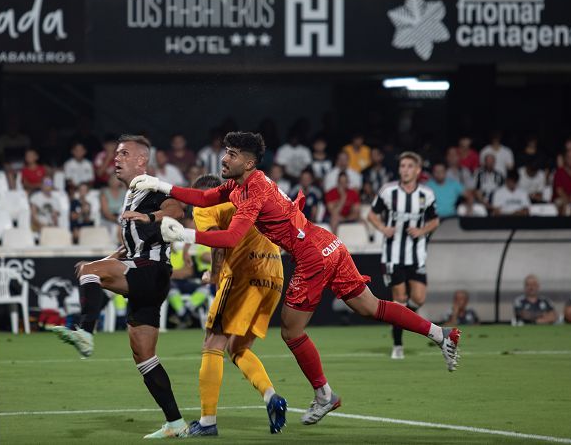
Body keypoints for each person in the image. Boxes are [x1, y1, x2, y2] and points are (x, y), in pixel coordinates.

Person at [143, 132, 460, 427]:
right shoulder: (241, 184)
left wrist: (184, 233)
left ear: (249, 163)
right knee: (370, 306)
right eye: (225, 152)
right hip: (328, 242)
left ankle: (324, 395)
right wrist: (160, 185)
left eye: (232, 154)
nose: (224, 159)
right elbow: (203, 197)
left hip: (311, 257)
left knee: (292, 332)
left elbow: (232, 237)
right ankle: (439, 332)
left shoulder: (253, 191)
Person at [51, 135, 189, 439]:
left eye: (124, 153)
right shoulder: (131, 195)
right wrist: (105, 260)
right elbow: (130, 247)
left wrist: (150, 216)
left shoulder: (152, 186)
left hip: (151, 272)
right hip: (148, 275)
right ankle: (176, 423)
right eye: (116, 153)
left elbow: (177, 211)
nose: (116, 158)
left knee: (90, 273)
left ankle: (86, 332)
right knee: (144, 356)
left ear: (141, 160)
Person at [187, 174, 288, 436]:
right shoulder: (247, 198)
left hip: (244, 274)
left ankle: (207, 422)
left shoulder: (206, 204)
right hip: (275, 275)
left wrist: (215, 273)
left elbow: (216, 241)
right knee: (238, 347)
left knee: (212, 343)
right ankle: (270, 396)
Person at [366, 152, 441, 360]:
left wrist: (423, 230)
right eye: (402, 166)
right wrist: (383, 228)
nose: (405, 170)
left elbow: (435, 220)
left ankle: (401, 321)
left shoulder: (427, 194)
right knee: (399, 300)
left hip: (417, 255)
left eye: (409, 166)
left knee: (418, 298)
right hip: (393, 255)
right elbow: (371, 215)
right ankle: (397, 344)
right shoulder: (388, 191)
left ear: (417, 170)